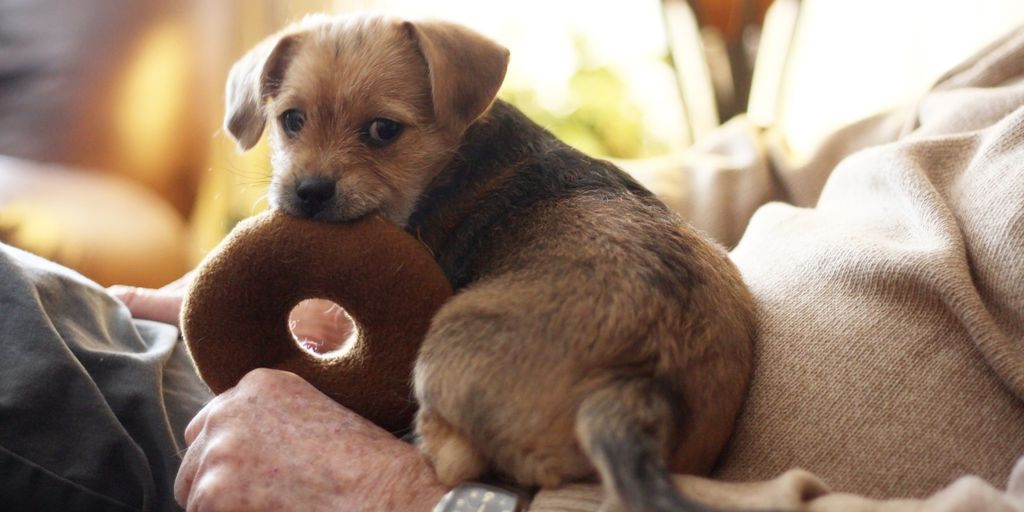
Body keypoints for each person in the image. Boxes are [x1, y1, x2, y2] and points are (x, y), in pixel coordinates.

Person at [2, 22, 1024, 512]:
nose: (318, 165)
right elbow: (766, 164)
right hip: (459, 361)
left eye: (377, 131)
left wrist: (422, 498)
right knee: (28, 312)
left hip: (474, 469)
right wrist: (313, 262)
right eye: (295, 125)